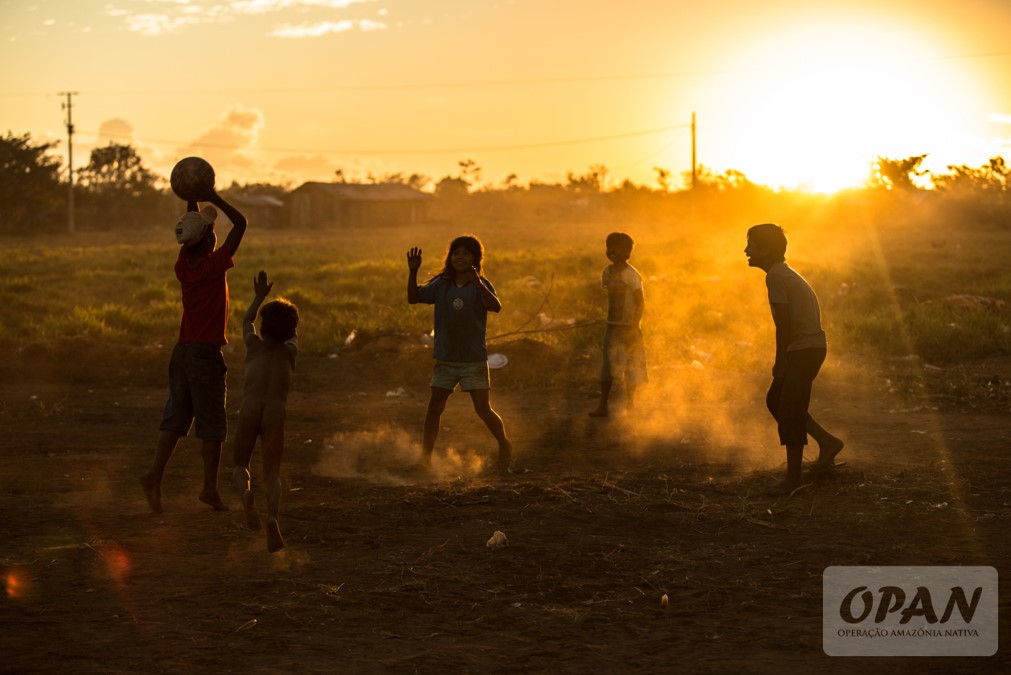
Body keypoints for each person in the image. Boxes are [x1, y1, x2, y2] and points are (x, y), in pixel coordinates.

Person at [141, 190, 247, 513]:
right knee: (212, 424)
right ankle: (209, 489)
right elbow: (241, 224)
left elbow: (193, 227)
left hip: (182, 352)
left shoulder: (184, 265)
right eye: (211, 233)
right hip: (204, 355)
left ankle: (155, 475)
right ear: (205, 242)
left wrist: (192, 197)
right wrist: (212, 193)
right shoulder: (214, 266)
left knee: (175, 418)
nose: (215, 236)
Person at [745, 223, 844, 495]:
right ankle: (827, 442)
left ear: (765, 250)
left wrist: (780, 363)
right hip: (808, 347)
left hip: (803, 349)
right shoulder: (782, 273)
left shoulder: (775, 277)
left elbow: (784, 327)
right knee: (777, 400)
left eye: (751, 245)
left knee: (788, 407)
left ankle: (793, 479)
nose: (746, 250)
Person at [406, 235, 513, 475]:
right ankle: (425, 459)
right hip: (446, 358)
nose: (460, 257)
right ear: (449, 257)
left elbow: (496, 306)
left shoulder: (482, 285)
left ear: (476, 258)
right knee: (434, 408)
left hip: (473, 359)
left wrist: (477, 283)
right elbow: (413, 298)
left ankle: (505, 445)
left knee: (482, 409)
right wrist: (413, 272)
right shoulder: (441, 284)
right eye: (456, 253)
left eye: (466, 253)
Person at [231, 271, 299, 553]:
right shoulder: (290, 351)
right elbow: (291, 334)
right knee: (272, 472)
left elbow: (246, 321)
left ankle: (246, 493)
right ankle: (272, 517)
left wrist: (259, 296)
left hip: (249, 407)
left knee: (240, 464)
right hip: (274, 411)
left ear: (263, 329)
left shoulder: (253, 346)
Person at [589, 231, 647, 417]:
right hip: (612, 327)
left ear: (628, 253)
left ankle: (631, 404)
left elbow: (641, 302)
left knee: (631, 367)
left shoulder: (632, 275)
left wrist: (633, 325)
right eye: (609, 247)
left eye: (618, 248)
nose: (612, 251)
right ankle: (603, 405)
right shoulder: (606, 272)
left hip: (629, 329)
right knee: (607, 367)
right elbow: (605, 298)